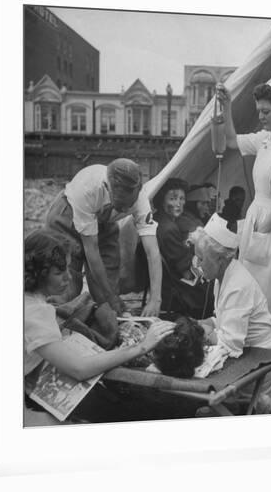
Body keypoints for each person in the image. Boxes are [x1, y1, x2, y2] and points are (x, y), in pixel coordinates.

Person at [24, 229, 175, 426]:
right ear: (39, 273)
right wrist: (142, 347)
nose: (68, 278)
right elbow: (80, 369)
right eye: (59, 272)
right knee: (126, 413)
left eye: (69, 269)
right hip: (23, 410)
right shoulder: (35, 312)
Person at [216, 76, 271, 410]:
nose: (260, 116)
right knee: (254, 299)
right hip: (258, 222)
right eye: (258, 110)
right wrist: (228, 104)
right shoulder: (266, 139)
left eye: (265, 111)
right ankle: (256, 374)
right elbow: (232, 141)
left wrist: (263, 228)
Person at [45, 158, 162, 316]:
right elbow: (91, 250)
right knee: (68, 286)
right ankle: (54, 327)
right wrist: (111, 298)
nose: (126, 209)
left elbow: (152, 252)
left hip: (104, 220)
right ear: (107, 187)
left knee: (107, 292)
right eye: (121, 205)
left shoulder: (141, 200)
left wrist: (155, 299)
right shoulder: (87, 189)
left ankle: (107, 329)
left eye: (130, 205)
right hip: (68, 216)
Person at [189, 214, 271, 409]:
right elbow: (222, 318)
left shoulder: (237, 285)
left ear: (220, 259)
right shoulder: (222, 277)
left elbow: (230, 344)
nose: (197, 264)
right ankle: (240, 405)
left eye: (201, 258)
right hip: (247, 352)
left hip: (260, 362)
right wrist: (201, 323)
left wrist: (199, 331)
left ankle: (249, 402)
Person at [153, 178, 213, 318]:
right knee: (213, 287)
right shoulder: (168, 229)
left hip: (169, 279)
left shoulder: (160, 219)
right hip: (176, 286)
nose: (178, 204)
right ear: (162, 200)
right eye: (173, 199)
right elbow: (186, 271)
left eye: (182, 199)